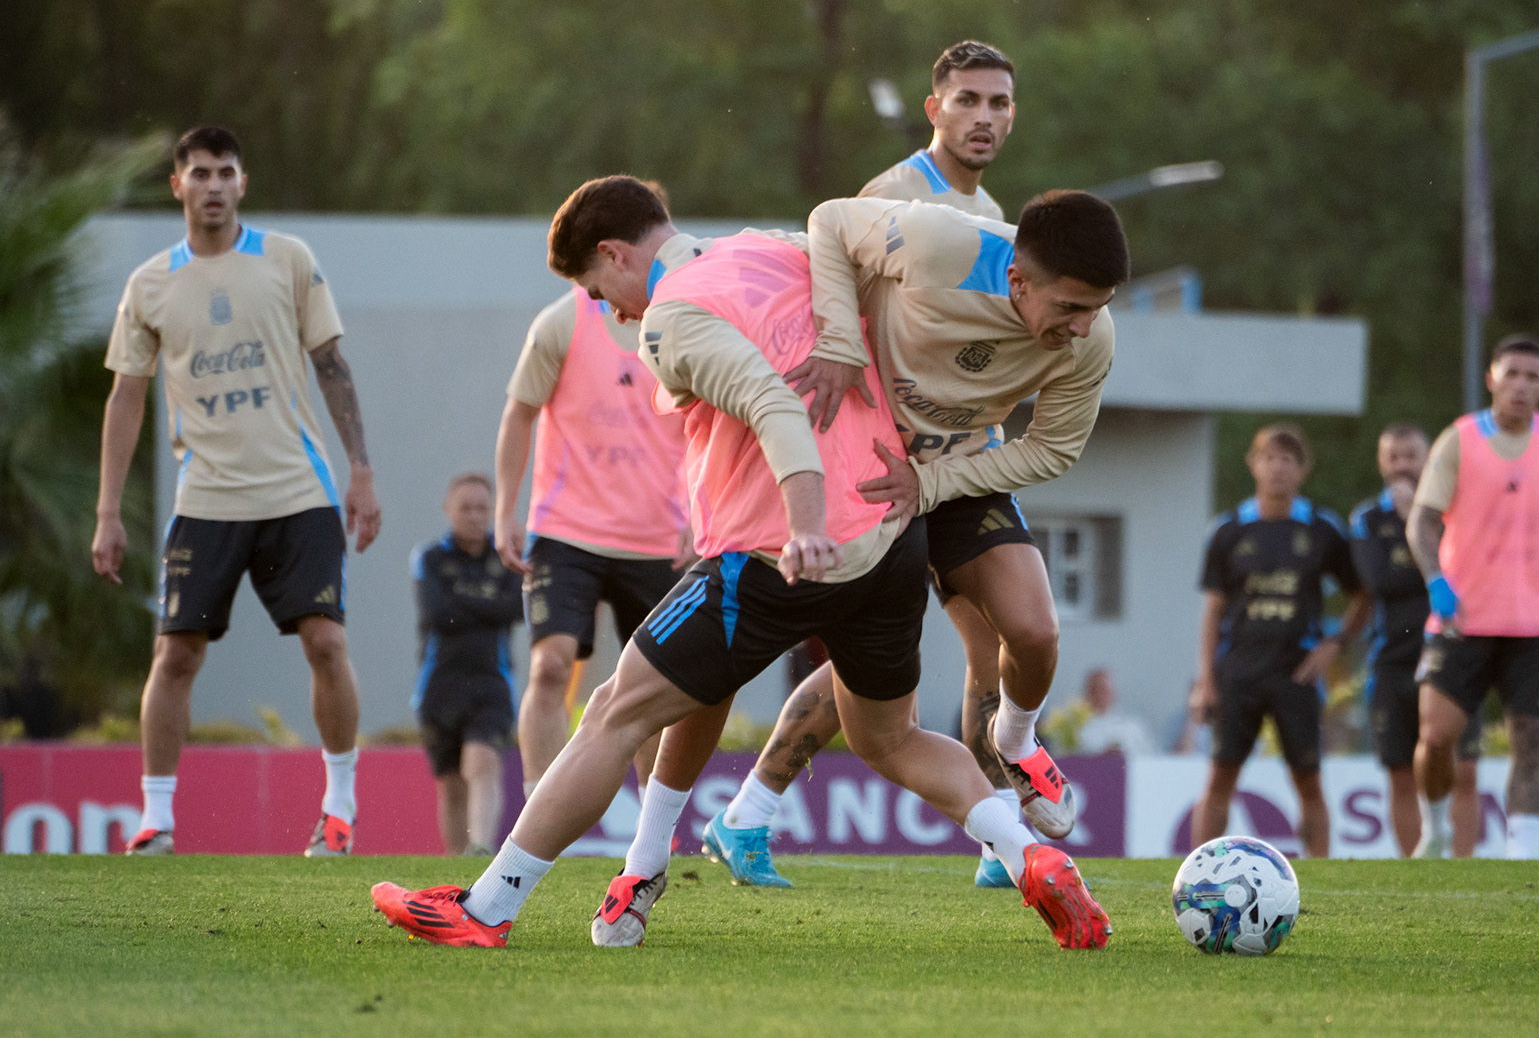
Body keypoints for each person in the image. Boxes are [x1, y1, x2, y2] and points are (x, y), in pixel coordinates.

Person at [370, 176, 1109, 951]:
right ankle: (1031, 854)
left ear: (615, 255)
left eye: (597, 290)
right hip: (894, 529)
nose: (610, 312)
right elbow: (865, 288)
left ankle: (487, 906)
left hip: (782, 553)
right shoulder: (779, 247)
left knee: (617, 710)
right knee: (889, 739)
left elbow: (774, 403)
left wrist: (806, 524)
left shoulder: (673, 316)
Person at [706, 187, 1126, 890]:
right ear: (1019, 281)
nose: (1085, 327)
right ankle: (749, 810)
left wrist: (932, 484)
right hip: (865, 465)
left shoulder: (1092, 337)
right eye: (1071, 308)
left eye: (1097, 308)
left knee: (1032, 632)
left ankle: (1017, 745)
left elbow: (1052, 449)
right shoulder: (940, 243)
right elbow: (831, 223)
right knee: (869, 662)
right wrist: (841, 341)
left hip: (955, 472)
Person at [92, 125, 381, 858]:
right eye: (200, 173)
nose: (214, 185)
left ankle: (339, 807)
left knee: (327, 640)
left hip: (297, 489)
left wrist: (362, 470)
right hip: (207, 498)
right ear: (178, 185)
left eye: (226, 172)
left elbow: (333, 365)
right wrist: (107, 512)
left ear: (242, 183)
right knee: (176, 655)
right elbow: (126, 395)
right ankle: (157, 818)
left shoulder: (288, 259)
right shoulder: (151, 283)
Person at [492, 184, 691, 801]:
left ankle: (651, 836)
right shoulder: (561, 323)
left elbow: (708, 429)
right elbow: (519, 416)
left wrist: (699, 517)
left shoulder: (686, 321)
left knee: (655, 690)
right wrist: (505, 511)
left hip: (659, 538)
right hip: (567, 533)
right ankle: (540, 812)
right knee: (550, 667)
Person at [1407, 334, 1539, 860]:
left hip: (1538, 620)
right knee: (1436, 736)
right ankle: (1435, 831)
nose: (1520, 385)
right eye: (1511, 373)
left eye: (1532, 376)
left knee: (1529, 742)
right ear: (1491, 378)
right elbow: (1423, 521)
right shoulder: (1458, 440)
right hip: (1462, 618)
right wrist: (1437, 581)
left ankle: (1523, 856)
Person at [1189, 424, 1362, 859]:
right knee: (1220, 777)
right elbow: (1212, 610)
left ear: (1302, 469)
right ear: (1254, 464)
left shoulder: (1322, 528)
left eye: (1288, 460)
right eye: (1269, 458)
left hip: (1297, 673)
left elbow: (1363, 594)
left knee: (1308, 779)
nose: (1278, 468)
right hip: (1239, 671)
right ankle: (1199, 873)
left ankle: (1320, 874)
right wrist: (1205, 681)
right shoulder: (1228, 530)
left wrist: (1334, 644)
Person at [1343, 425, 1482, 857]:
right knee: (1402, 774)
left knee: (1464, 770)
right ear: (1382, 463)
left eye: (1412, 455)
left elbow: (1468, 577)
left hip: (1455, 655)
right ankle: (1416, 866)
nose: (1403, 465)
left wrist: (1419, 522)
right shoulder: (1367, 518)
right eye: (1394, 457)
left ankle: (1462, 867)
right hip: (1393, 662)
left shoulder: (1454, 512)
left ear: (1428, 460)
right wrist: (1409, 526)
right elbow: (1380, 581)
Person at [411, 474, 522, 856]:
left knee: (482, 760)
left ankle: (481, 848)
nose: (474, 516)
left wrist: (463, 602)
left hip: (492, 682)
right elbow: (437, 614)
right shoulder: (430, 557)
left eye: (482, 508)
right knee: (451, 784)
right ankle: (455, 861)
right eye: (466, 507)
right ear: (448, 509)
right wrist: (488, 608)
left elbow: (515, 609)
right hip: (440, 685)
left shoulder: (506, 557)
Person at [856, 39, 1012, 222]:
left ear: (1011, 117)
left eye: (998, 104)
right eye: (967, 101)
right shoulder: (891, 195)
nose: (984, 119)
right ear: (934, 110)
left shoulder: (991, 213)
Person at [1073, 668, 1155, 757]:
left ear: (1113, 692)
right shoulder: (1076, 728)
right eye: (1095, 690)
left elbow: (1150, 758)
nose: (1099, 695)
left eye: (1103, 690)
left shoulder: (1132, 726)